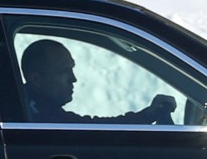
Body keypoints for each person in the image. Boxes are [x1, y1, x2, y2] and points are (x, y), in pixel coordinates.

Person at [20, 38, 176, 125]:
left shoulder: (36, 111)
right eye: (64, 71)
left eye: (72, 69)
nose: (73, 79)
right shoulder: (39, 118)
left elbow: (92, 127)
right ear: (37, 79)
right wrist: (145, 117)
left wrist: (146, 116)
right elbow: (91, 131)